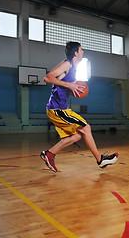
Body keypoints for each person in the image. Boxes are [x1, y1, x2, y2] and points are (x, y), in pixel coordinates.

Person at [40, 41, 118, 172]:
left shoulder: (74, 69)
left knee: (79, 135)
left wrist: (73, 89)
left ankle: (50, 153)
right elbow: (47, 78)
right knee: (86, 128)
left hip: (61, 109)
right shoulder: (67, 64)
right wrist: (70, 85)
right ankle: (100, 160)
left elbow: (62, 86)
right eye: (81, 50)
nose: (83, 52)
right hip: (57, 109)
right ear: (75, 53)